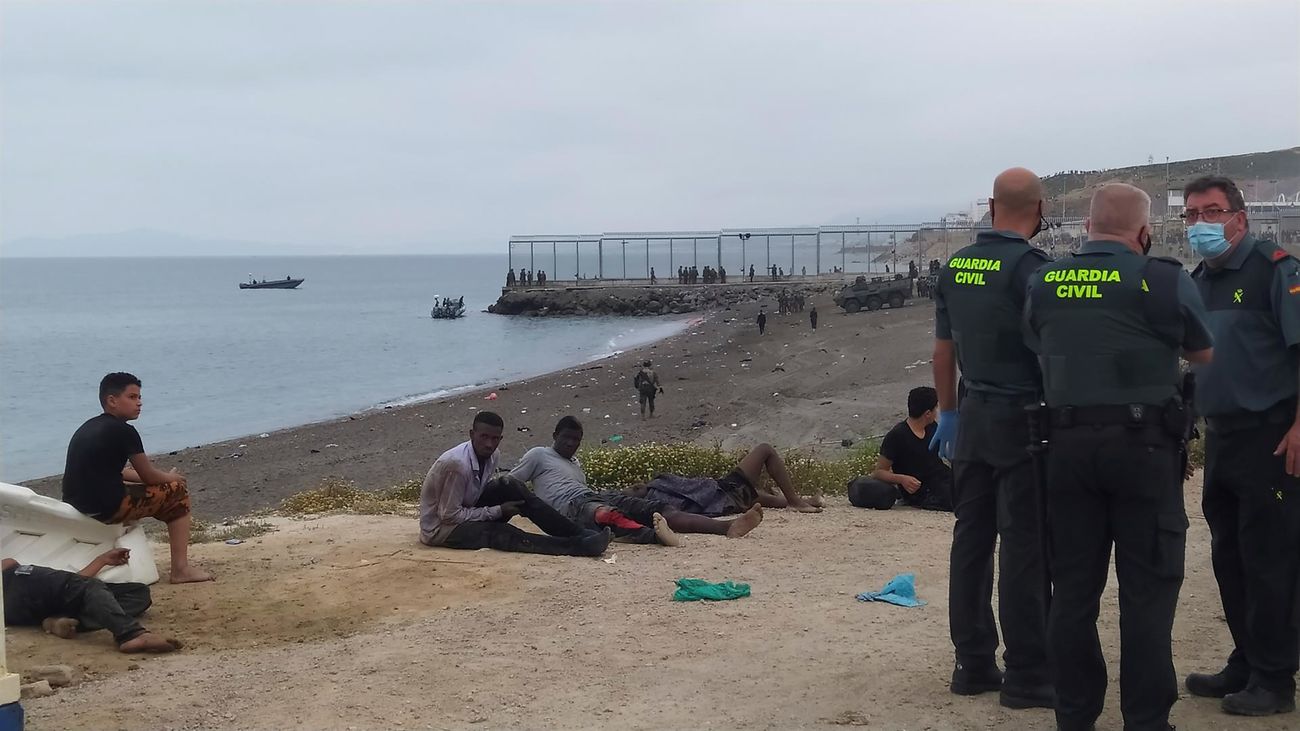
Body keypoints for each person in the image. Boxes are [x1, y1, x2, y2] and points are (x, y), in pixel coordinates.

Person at [1024, 183, 1214, 731]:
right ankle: (1147, 719)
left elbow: (1038, 341)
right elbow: (1201, 351)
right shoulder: (1162, 279)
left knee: (1073, 590)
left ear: (1087, 227)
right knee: (1148, 590)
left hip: (1065, 449)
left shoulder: (1044, 280)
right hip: (1144, 451)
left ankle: (1076, 714)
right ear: (1144, 230)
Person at [930, 168, 1052, 708]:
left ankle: (972, 661)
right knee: (1023, 544)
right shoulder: (1034, 270)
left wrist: (949, 416)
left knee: (971, 538)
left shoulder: (956, 266)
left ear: (991, 204)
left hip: (971, 412)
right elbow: (1051, 351)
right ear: (1040, 208)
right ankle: (1027, 672)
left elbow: (943, 352)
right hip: (1021, 416)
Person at [1181, 176, 1300, 716]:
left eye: (1213, 211)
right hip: (1223, 437)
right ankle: (1247, 659)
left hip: (1271, 437)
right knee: (1229, 556)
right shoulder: (1197, 282)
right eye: (1191, 214)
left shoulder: (1277, 271)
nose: (1202, 223)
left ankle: (1275, 679)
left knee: (1269, 558)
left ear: (1240, 217)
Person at [511, 417, 764, 546]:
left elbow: (587, 491)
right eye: (566, 438)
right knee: (604, 515)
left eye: (576, 439)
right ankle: (655, 538)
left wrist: (626, 491)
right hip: (569, 506)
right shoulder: (539, 455)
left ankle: (727, 527)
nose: (571, 443)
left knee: (659, 508)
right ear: (555, 435)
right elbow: (512, 483)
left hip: (595, 495)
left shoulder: (576, 466)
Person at [62, 373, 212, 584]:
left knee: (143, 486)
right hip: (107, 507)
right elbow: (149, 475)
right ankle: (181, 569)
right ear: (112, 400)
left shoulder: (90, 427)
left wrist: (155, 479)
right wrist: (170, 478)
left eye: (139, 397)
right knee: (178, 492)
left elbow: (119, 471)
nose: (139, 403)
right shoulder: (124, 431)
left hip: (77, 504)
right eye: (132, 397)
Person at [419, 411, 611, 556]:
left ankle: (578, 533)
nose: (489, 444)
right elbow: (449, 516)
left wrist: (502, 503)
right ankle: (575, 547)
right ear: (472, 434)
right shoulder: (457, 465)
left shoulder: (493, 455)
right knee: (500, 532)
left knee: (510, 485)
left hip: (464, 509)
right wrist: (498, 511)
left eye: (495, 439)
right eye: (483, 437)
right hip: (441, 529)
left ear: (500, 439)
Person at [3, 548, 179, 653]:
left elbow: (74, 584)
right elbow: (76, 584)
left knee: (138, 593)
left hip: (24, 605)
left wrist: (102, 560)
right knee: (87, 587)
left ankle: (56, 621)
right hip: (11, 580)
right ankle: (130, 634)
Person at [625, 443, 823, 515]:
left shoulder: (661, 501)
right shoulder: (656, 490)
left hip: (725, 499)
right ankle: (797, 502)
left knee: (757, 497)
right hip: (727, 492)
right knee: (765, 450)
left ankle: (807, 501)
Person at [855, 387, 953, 512]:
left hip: (942, 478)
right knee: (959, 499)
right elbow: (879, 472)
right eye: (936, 408)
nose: (937, 412)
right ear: (927, 413)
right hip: (921, 489)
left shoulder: (932, 427)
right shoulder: (897, 436)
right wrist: (902, 479)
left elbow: (944, 452)